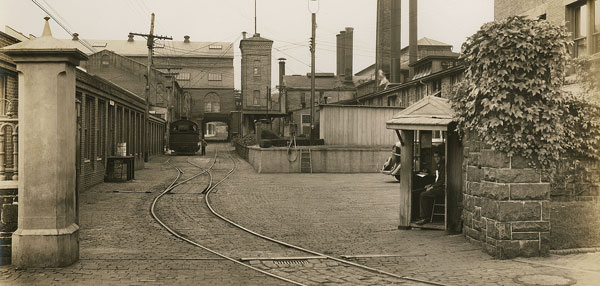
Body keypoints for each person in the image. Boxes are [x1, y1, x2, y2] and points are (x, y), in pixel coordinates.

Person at [414, 151, 445, 225]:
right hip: (437, 187)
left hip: (442, 189)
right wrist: (430, 185)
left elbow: (442, 181)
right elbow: (438, 180)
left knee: (423, 195)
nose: (436, 158)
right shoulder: (439, 165)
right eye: (435, 157)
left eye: (438, 157)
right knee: (416, 192)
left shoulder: (443, 166)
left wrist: (432, 187)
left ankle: (424, 217)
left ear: (441, 157)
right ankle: (417, 215)